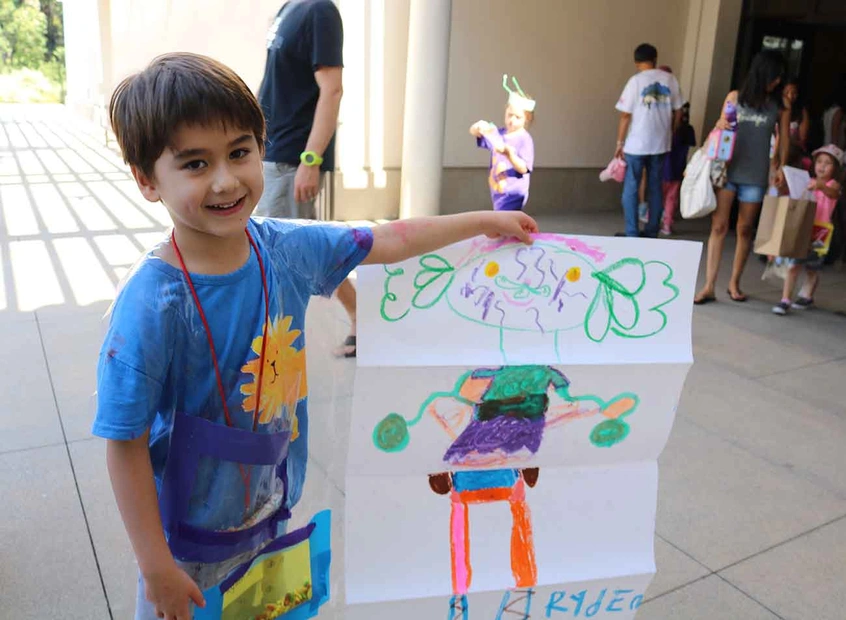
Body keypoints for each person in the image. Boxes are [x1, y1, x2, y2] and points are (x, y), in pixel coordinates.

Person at [97, 52, 539, 620]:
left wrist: (481, 221)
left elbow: (390, 239)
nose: (226, 180)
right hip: (187, 552)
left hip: (269, 518)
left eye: (239, 152)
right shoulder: (153, 303)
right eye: (195, 164)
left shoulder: (284, 249)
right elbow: (124, 441)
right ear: (146, 180)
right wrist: (157, 568)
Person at [255, 0, 358, 357]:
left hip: (291, 158)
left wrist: (310, 159)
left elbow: (332, 90)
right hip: (272, 152)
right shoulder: (291, 7)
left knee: (284, 254)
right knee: (304, 250)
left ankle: (271, 347)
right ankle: (362, 315)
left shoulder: (320, 11)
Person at [694, 51, 790, 304]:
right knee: (719, 226)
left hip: (756, 174)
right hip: (728, 170)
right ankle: (708, 285)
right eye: (775, 76)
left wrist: (781, 167)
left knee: (745, 229)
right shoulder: (735, 97)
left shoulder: (779, 105)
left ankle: (734, 283)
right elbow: (720, 126)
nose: (778, 82)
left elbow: (784, 141)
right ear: (763, 74)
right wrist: (719, 124)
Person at [613, 43, 684, 238]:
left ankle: (632, 232)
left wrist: (619, 143)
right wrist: (670, 131)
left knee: (631, 187)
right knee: (656, 188)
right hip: (661, 145)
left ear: (636, 62)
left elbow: (625, 115)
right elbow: (679, 111)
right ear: (655, 59)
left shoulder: (635, 82)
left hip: (636, 144)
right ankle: (652, 231)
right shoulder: (670, 80)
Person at [772, 144, 842, 315]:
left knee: (813, 267)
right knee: (794, 264)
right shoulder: (808, 182)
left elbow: (833, 194)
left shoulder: (833, 185)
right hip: (803, 227)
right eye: (819, 161)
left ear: (836, 168)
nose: (822, 166)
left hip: (821, 232)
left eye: (828, 163)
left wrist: (820, 186)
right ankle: (785, 299)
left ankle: (807, 296)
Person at [469, 74, 536, 211]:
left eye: (517, 117)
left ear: (526, 119)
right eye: (509, 115)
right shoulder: (498, 134)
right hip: (497, 190)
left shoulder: (524, 139)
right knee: (503, 223)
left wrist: (509, 154)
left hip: (513, 193)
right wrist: (477, 128)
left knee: (503, 222)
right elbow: (476, 134)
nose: (512, 120)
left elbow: (524, 168)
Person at [661, 101, 696, 236]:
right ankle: (667, 225)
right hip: (678, 169)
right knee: (671, 199)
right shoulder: (688, 130)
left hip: (662, 169)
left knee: (658, 197)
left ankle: (652, 218)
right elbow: (691, 146)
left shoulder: (665, 129)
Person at [783, 78, 811, 169]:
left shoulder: (801, 112)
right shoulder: (775, 110)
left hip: (793, 156)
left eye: (794, 93)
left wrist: (787, 140)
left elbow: (802, 140)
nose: (790, 96)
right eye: (786, 92)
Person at [822, 75, 846, 150]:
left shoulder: (829, 109)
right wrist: (835, 152)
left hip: (827, 146)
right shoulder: (839, 112)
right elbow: (834, 135)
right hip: (834, 150)